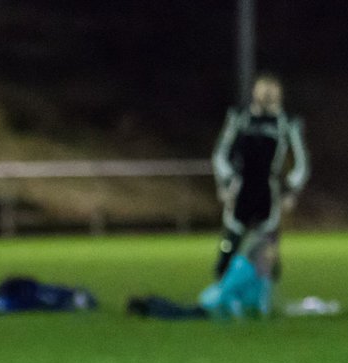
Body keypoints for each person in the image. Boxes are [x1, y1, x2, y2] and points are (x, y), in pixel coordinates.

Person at [211, 73, 309, 280]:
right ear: (255, 91)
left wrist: (291, 190)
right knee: (229, 246)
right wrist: (226, 182)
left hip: (268, 190)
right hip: (242, 188)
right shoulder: (239, 117)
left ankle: (265, 300)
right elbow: (220, 154)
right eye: (263, 90)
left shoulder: (287, 123)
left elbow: (302, 162)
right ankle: (222, 291)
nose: (267, 95)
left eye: (271, 91)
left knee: (268, 254)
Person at [127, 230, 275, 320]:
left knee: (180, 313)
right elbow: (226, 291)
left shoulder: (256, 273)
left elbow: (261, 303)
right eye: (266, 258)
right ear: (257, 257)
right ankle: (147, 304)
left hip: (214, 306)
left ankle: (149, 303)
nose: (269, 262)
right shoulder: (245, 270)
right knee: (179, 315)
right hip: (213, 306)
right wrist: (237, 314)